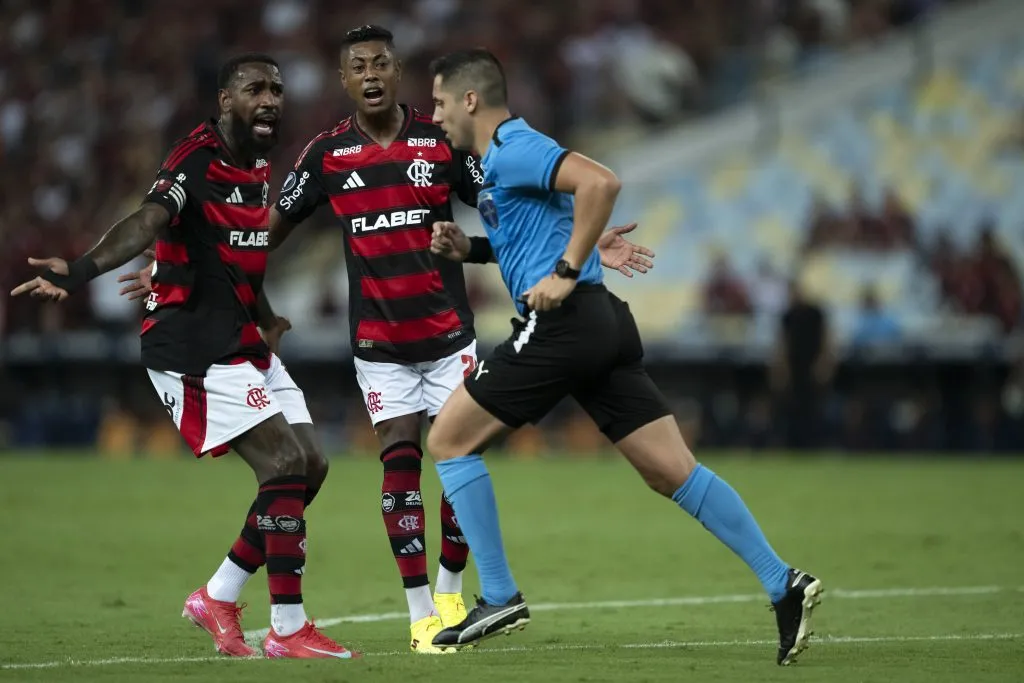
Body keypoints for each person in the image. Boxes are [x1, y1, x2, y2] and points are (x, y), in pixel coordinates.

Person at [120, 25, 656, 654]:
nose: (370, 74)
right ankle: (423, 613)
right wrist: (184, 262)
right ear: (344, 81)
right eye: (357, 67)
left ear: (397, 72)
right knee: (400, 469)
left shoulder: (443, 141)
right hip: (379, 346)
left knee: (460, 463)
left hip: (450, 336)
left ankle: (454, 588)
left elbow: (508, 208)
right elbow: (264, 232)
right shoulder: (324, 156)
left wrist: (584, 239)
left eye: (380, 63)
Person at [424, 49, 823, 666]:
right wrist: (471, 248)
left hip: (562, 324)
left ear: (470, 100)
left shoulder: (513, 147)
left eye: (440, 102)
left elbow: (601, 182)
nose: (436, 114)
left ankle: (499, 595)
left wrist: (566, 267)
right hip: (599, 324)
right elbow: (533, 232)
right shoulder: (499, 161)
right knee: (671, 470)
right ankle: (783, 582)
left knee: (448, 440)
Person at [10, 54, 355, 660]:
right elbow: (149, 220)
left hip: (240, 333)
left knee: (311, 466)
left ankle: (218, 595)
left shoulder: (257, 165)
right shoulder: (194, 158)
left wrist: (266, 314)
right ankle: (288, 626)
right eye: (254, 89)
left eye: (276, 88)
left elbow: (238, 251)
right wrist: (84, 269)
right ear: (225, 100)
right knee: (282, 464)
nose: (270, 98)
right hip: (190, 344)